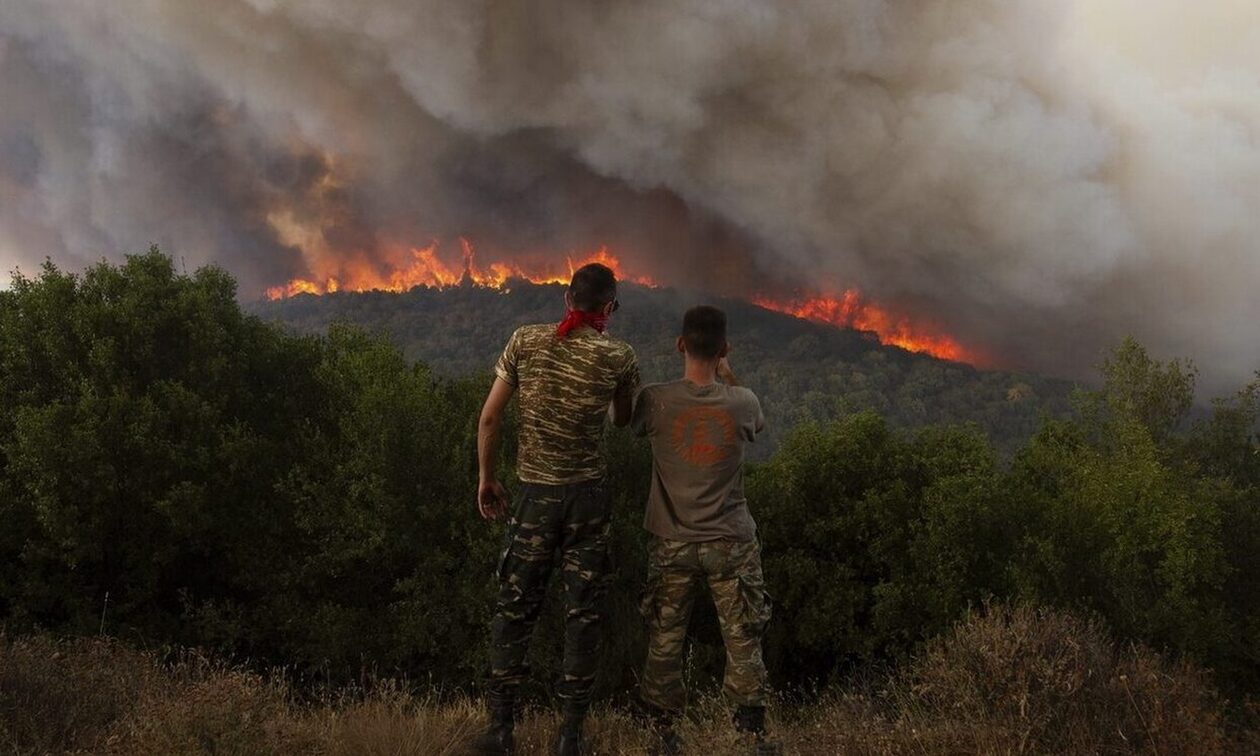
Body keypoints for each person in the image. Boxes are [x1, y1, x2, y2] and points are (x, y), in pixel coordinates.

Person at [472, 263, 640, 756]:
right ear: (607, 308)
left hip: (533, 497)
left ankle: (501, 731)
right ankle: (571, 737)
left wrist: (487, 478)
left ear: (567, 300)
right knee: (582, 615)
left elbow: (489, 417)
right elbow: (623, 420)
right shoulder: (619, 356)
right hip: (587, 499)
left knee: (514, 610)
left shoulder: (524, 341)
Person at [632, 305, 777, 754]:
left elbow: (627, 422)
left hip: (672, 542)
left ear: (680, 345)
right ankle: (750, 737)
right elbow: (759, 423)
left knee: (665, 635)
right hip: (730, 542)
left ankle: (661, 734)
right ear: (724, 349)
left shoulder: (654, 400)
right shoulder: (742, 401)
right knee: (742, 635)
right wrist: (729, 376)